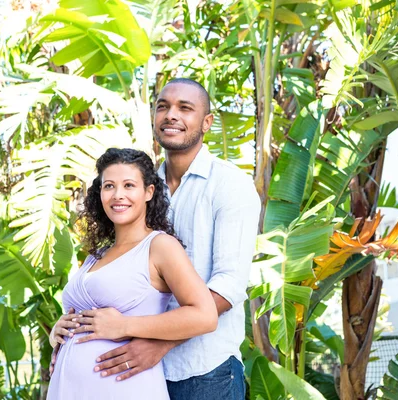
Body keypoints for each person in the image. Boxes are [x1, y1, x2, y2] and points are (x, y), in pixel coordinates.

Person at [52, 78, 261, 400]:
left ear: (207, 122)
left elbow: (229, 284)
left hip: (203, 368)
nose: (171, 115)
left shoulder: (230, 185)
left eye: (185, 108)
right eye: (163, 106)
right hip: (137, 373)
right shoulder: (140, 184)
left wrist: (158, 343)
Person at [46, 147, 218, 399]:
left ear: (149, 192)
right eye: (109, 186)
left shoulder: (160, 246)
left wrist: (124, 326)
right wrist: (58, 333)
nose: (118, 195)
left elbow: (205, 316)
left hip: (125, 388)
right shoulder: (98, 254)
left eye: (128, 185)